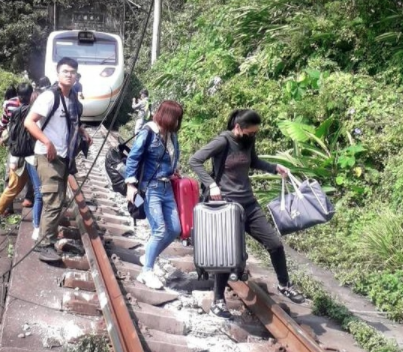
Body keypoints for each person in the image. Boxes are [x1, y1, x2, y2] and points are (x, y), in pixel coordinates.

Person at [188, 108, 304, 317]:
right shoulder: (222, 142)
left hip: (248, 204)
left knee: (274, 244)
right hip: (227, 207)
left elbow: (254, 161)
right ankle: (218, 301)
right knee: (227, 254)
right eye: (251, 132)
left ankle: (284, 284)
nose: (254, 135)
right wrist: (212, 185)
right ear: (238, 127)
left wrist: (274, 168)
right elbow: (195, 160)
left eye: (256, 132)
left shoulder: (248, 141)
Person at [25, 57, 92, 259]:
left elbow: (70, 121)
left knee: (58, 200)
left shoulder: (72, 98)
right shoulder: (49, 96)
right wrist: (47, 142)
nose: (69, 75)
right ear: (58, 73)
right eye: (65, 71)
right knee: (53, 201)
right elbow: (29, 122)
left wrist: (81, 131)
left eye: (73, 72)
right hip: (47, 156)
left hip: (63, 156)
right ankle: (44, 244)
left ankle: (50, 238)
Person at [125, 100, 183, 290]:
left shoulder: (171, 135)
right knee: (159, 230)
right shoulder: (149, 132)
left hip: (167, 187)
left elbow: (171, 157)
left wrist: (174, 170)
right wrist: (131, 185)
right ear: (167, 117)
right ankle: (146, 271)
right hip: (151, 188)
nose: (177, 123)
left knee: (174, 228)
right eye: (175, 118)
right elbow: (133, 157)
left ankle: (148, 256)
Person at [0, 82, 34, 228]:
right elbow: (6, 123)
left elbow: (3, 121)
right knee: (15, 182)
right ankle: (1, 209)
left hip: (19, 149)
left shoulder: (11, 104)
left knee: (14, 180)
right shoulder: (31, 106)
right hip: (22, 149)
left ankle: (6, 208)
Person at [25, 77, 50, 240]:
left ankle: (39, 225)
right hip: (33, 159)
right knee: (40, 193)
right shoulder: (31, 122)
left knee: (40, 192)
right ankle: (36, 226)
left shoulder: (44, 121)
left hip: (36, 159)